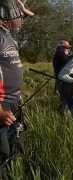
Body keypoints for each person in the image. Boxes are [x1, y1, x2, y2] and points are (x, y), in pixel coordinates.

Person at [0, 0, 34, 178]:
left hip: (13, 103)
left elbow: (27, 16)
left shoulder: (8, 36)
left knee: (15, 147)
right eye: (17, 13)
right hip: (1, 109)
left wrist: (20, 7)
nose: (21, 18)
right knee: (3, 154)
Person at [52, 40, 72, 113]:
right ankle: (62, 114)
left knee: (64, 99)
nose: (68, 49)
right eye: (66, 47)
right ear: (61, 47)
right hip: (62, 80)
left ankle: (62, 113)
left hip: (61, 79)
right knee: (64, 99)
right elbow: (68, 62)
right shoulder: (60, 54)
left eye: (68, 48)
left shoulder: (61, 54)